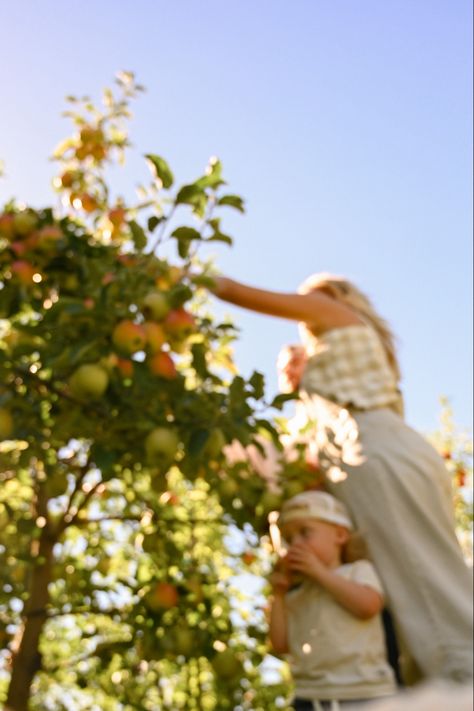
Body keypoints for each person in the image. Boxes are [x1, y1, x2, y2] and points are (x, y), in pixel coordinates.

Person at [210, 272, 473, 684]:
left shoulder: (335, 314)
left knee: (424, 589)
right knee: (406, 601)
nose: (304, 309)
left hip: (374, 452)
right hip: (378, 458)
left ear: (337, 296)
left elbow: (237, 292)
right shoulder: (327, 395)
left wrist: (185, 278)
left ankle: (463, 681)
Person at [269, 490, 397, 710]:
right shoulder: (298, 594)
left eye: (305, 533)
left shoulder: (358, 572)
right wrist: (279, 595)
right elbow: (281, 645)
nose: (295, 544)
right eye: (289, 539)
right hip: (310, 696)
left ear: (340, 535)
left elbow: (368, 606)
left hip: (365, 692)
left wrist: (320, 573)